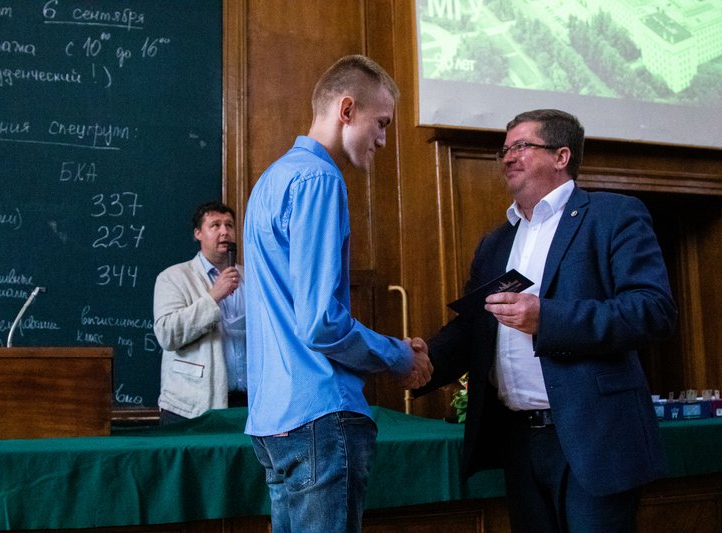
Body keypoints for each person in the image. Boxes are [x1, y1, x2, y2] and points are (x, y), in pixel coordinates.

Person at [414, 109, 677, 532]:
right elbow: (474, 327)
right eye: (504, 150)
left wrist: (547, 318)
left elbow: (652, 310)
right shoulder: (495, 242)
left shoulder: (613, 216)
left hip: (594, 438)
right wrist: (424, 360)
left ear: (561, 156)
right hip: (518, 441)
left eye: (521, 146)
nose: (507, 157)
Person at [243, 54, 433, 533]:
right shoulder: (320, 179)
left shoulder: (270, 180)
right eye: (382, 123)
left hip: (272, 422)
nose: (384, 139)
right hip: (318, 416)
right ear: (347, 110)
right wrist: (398, 355)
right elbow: (321, 323)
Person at [153, 201, 246, 424]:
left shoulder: (252, 278)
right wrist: (214, 297)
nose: (224, 232)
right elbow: (167, 334)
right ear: (198, 234)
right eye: (215, 225)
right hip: (190, 407)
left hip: (248, 405)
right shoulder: (173, 277)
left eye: (229, 225)